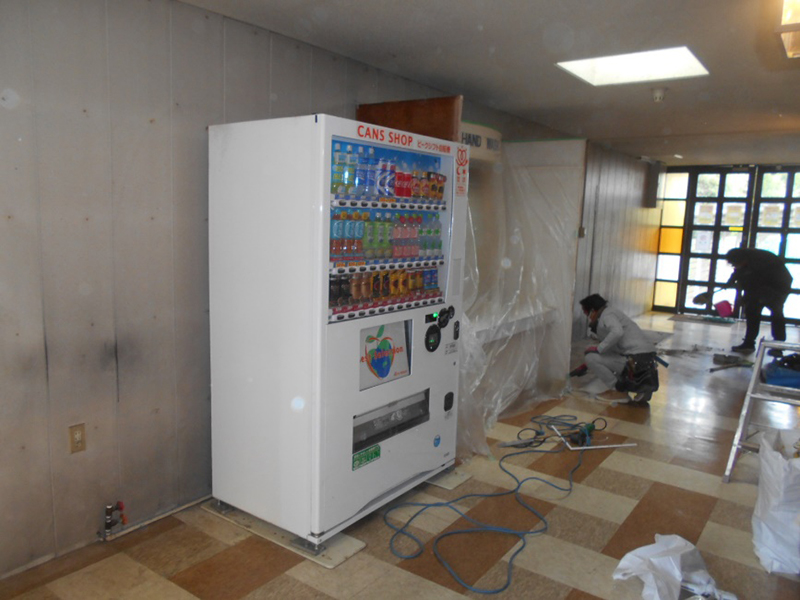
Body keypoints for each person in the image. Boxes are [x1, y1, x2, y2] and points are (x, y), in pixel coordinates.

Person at [579, 294, 657, 402]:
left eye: (586, 313)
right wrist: (589, 364)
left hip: (634, 359)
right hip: (645, 359)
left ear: (592, 310)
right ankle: (641, 389)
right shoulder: (613, 313)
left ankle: (617, 391)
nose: (588, 317)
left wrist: (598, 350)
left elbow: (617, 332)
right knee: (595, 357)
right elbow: (616, 346)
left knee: (590, 358)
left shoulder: (607, 315)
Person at [724, 248, 792, 355]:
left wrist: (745, 298)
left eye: (734, 263)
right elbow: (739, 270)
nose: (734, 265)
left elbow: (755, 285)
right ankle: (748, 344)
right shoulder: (745, 259)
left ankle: (778, 346)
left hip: (778, 287)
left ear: (741, 259)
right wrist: (731, 281)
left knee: (776, 313)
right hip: (762, 286)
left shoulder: (761, 262)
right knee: (752, 312)